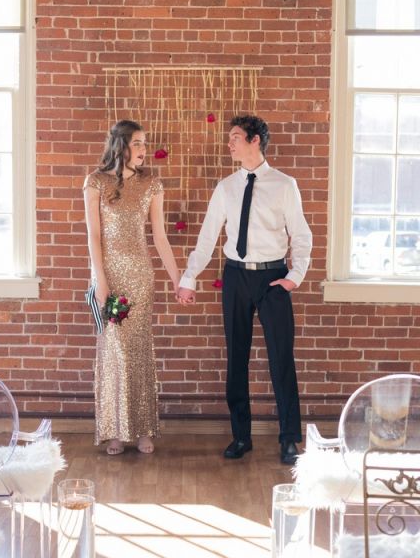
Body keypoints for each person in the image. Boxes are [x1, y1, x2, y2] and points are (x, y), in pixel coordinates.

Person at [178, 115, 312, 465]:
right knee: (236, 357)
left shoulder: (285, 185)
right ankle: (241, 437)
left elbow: (301, 236)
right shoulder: (226, 187)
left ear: (255, 141)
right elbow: (208, 237)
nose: (230, 144)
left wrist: (294, 277)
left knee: (281, 359)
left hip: (273, 279)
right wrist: (188, 278)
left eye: (235, 138)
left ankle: (288, 439)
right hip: (235, 277)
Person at [83, 119, 180, 455]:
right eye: (138, 143)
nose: (144, 150)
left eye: (144, 143)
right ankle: (114, 430)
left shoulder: (151, 185)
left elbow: (160, 237)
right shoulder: (95, 181)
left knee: (139, 350)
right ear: (121, 145)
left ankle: (142, 429)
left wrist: (177, 278)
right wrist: (100, 280)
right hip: (109, 275)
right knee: (114, 353)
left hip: (140, 276)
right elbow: (93, 236)